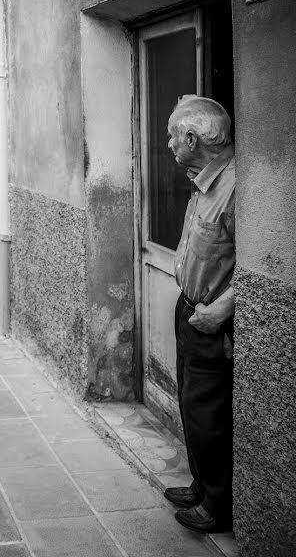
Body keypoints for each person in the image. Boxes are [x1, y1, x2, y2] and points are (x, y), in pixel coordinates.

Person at [163, 95, 236, 534]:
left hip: (211, 319)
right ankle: (201, 483)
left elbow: (258, 266)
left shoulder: (236, 185)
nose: (170, 145)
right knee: (191, 403)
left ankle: (218, 504)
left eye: (174, 137)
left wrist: (218, 312)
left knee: (209, 415)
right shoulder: (204, 176)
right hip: (189, 309)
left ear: (192, 137)